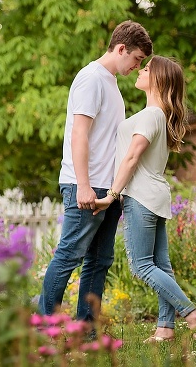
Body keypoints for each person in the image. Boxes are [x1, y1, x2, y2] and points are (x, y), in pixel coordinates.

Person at [38, 20, 153, 328]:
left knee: (100, 261)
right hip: (86, 186)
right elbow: (80, 134)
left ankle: (86, 331)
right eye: (137, 59)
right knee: (69, 256)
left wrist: (114, 190)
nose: (137, 67)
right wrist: (84, 186)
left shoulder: (110, 83)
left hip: (108, 188)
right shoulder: (91, 79)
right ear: (121, 49)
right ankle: (44, 328)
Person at [94, 55, 196, 342]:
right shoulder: (158, 115)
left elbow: (132, 157)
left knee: (142, 265)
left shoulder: (151, 115)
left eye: (146, 69)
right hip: (155, 196)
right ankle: (165, 328)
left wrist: (111, 195)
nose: (140, 71)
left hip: (140, 196)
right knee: (161, 264)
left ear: (157, 79)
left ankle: (193, 315)